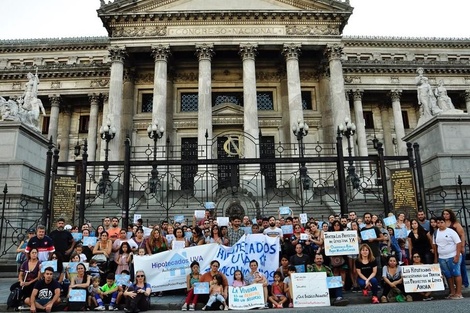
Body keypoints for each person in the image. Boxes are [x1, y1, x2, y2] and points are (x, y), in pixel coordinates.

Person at [432, 216, 463, 300]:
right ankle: (452, 292)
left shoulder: (451, 232)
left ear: (445, 222)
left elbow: (458, 243)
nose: (440, 224)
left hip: (452, 255)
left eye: (441, 222)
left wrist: (457, 256)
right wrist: (436, 258)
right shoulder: (435, 233)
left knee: (456, 273)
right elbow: (435, 246)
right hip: (442, 257)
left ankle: (459, 293)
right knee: (448, 275)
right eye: (438, 223)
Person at [442, 208, 469, 288]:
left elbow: (462, 235)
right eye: (444, 214)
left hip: (457, 247)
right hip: (448, 248)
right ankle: (454, 284)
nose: (445, 215)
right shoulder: (442, 223)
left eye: (447, 214)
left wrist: (462, 246)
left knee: (461, 266)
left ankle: (465, 283)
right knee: (451, 267)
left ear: (450, 215)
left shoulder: (455, 224)